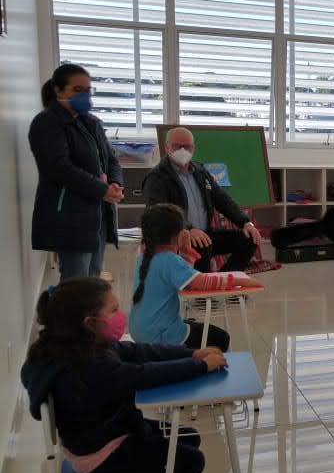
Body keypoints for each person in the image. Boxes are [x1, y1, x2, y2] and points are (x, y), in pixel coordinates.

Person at [21, 277, 223, 473]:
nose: (121, 316)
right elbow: (144, 375)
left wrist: (190, 353)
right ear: (90, 322)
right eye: (113, 310)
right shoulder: (90, 367)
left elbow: (137, 352)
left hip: (97, 435)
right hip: (104, 449)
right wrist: (199, 366)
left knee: (188, 437)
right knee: (192, 461)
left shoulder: (72, 346)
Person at [29, 64, 124, 280]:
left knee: (93, 280)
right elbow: (58, 167)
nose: (85, 96)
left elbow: (110, 160)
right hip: (70, 218)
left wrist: (115, 183)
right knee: (76, 284)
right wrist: (101, 190)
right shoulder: (47, 122)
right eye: (77, 90)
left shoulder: (91, 123)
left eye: (88, 90)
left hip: (97, 215)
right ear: (59, 90)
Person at [128, 203, 262, 350]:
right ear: (180, 235)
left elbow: (186, 279)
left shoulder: (143, 256)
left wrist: (186, 255)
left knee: (192, 324)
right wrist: (242, 281)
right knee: (221, 338)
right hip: (161, 336)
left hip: (140, 332)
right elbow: (203, 282)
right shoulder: (170, 260)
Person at [142, 127, 262, 273]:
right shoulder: (156, 177)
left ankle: (223, 280)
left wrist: (246, 223)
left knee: (250, 239)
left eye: (187, 146)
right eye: (177, 146)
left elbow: (223, 200)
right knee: (202, 247)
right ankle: (201, 285)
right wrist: (188, 229)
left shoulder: (200, 171)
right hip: (178, 237)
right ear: (167, 147)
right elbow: (159, 214)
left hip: (205, 234)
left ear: (193, 148)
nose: (183, 150)